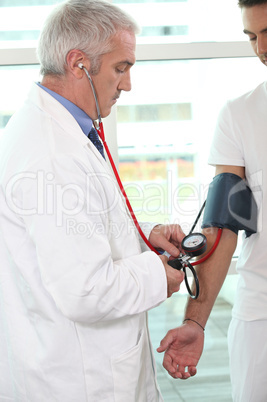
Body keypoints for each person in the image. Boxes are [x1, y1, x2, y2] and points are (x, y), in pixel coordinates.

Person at [0, 1, 186, 401]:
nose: (128, 84)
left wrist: (143, 237)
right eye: (122, 67)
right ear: (78, 62)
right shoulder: (51, 154)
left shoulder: (59, 130)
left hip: (70, 362)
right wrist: (161, 274)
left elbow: (78, 231)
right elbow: (86, 290)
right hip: (80, 379)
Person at [157, 1, 267, 401]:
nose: (261, 49)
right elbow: (222, 224)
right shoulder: (239, 114)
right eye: (252, 37)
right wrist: (197, 321)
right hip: (262, 318)